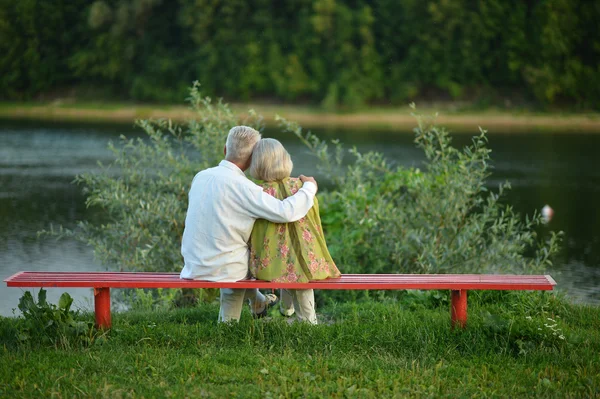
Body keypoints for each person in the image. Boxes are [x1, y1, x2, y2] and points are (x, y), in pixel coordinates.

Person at [180, 126, 318, 322]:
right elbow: (286, 212)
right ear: (254, 158)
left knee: (234, 252)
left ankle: (259, 301)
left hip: (192, 264)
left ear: (225, 150)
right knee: (254, 259)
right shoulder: (246, 188)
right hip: (226, 269)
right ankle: (230, 325)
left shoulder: (201, 176)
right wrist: (309, 187)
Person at [248, 138, 340, 324]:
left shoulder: (257, 192)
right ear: (285, 159)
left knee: (284, 263)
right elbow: (314, 220)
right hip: (305, 256)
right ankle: (306, 320)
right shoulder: (302, 186)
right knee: (298, 270)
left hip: (271, 260)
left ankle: (288, 310)